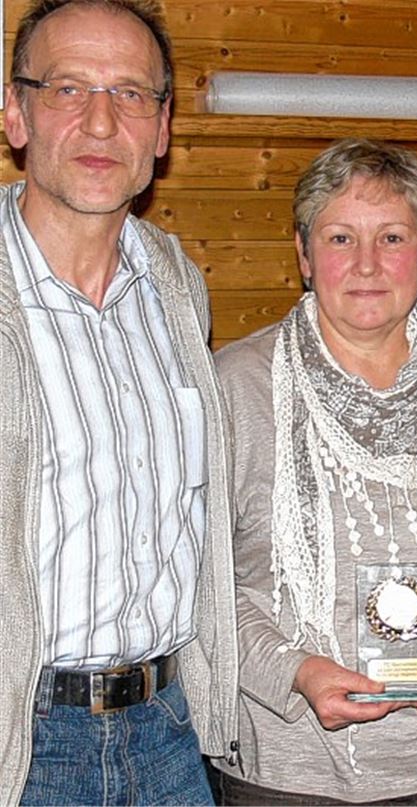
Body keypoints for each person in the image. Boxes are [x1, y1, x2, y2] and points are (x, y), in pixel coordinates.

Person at [210, 137, 417, 805]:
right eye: (340, 238)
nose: (366, 264)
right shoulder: (237, 386)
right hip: (291, 765)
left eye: (392, 236)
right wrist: (295, 671)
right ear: (305, 256)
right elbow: (201, 583)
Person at [0, 0, 240, 803]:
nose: (102, 122)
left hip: (169, 732)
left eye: (132, 93)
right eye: (68, 88)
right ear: (16, 111)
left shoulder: (177, 286)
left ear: (163, 128)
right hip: (22, 741)